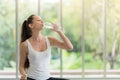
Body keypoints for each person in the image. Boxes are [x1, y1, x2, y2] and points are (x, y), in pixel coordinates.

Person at [19, 14, 73, 80]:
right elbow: (21, 66)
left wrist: (59, 31)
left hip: (47, 78)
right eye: (39, 20)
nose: (42, 22)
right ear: (31, 25)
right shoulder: (25, 45)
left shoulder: (49, 40)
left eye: (42, 20)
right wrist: (24, 75)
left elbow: (69, 47)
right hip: (32, 78)